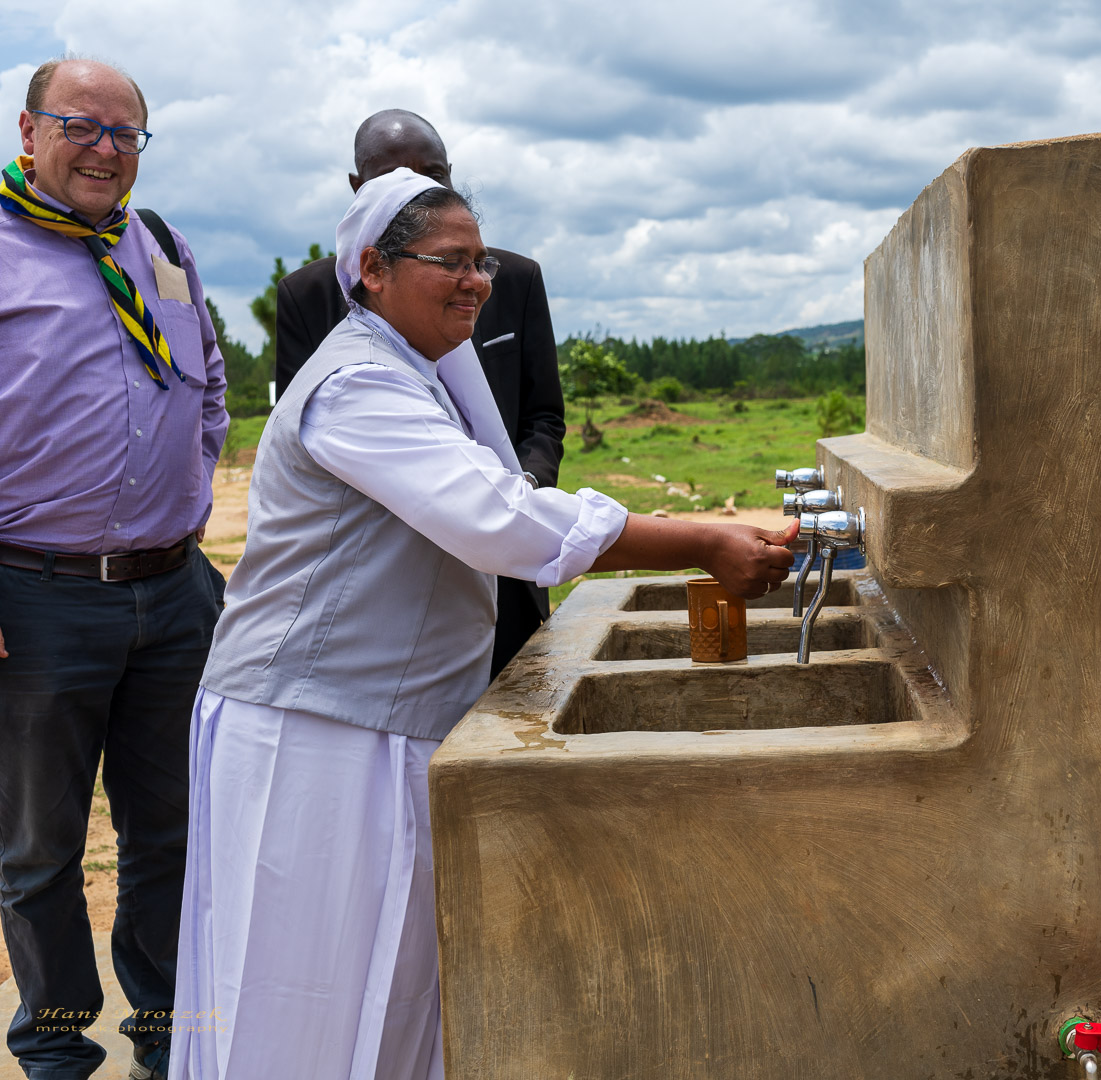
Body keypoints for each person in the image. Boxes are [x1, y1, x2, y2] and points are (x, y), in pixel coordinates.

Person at [170, 169, 796, 1079]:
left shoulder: (411, 376)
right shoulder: (356, 387)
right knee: (303, 993)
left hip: (376, 722)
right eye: (450, 262)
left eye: (481, 263)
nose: (474, 282)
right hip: (310, 735)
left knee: (385, 986)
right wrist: (698, 538)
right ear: (375, 269)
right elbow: (499, 517)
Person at [0, 58, 228, 1080]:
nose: (105, 149)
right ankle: (54, 1051)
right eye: (80, 126)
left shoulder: (163, 244)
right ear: (28, 131)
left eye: (125, 132)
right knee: (39, 848)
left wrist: (190, 492)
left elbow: (207, 380)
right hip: (33, 597)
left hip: (173, 593)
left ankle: (170, 1041)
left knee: (172, 834)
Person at [275, 110, 565, 677]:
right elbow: (309, 433)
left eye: (432, 175)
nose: (415, 191)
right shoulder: (310, 297)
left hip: (508, 566)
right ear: (357, 188)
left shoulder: (507, 279)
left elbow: (542, 415)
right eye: (391, 178)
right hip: (387, 578)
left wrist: (521, 491)